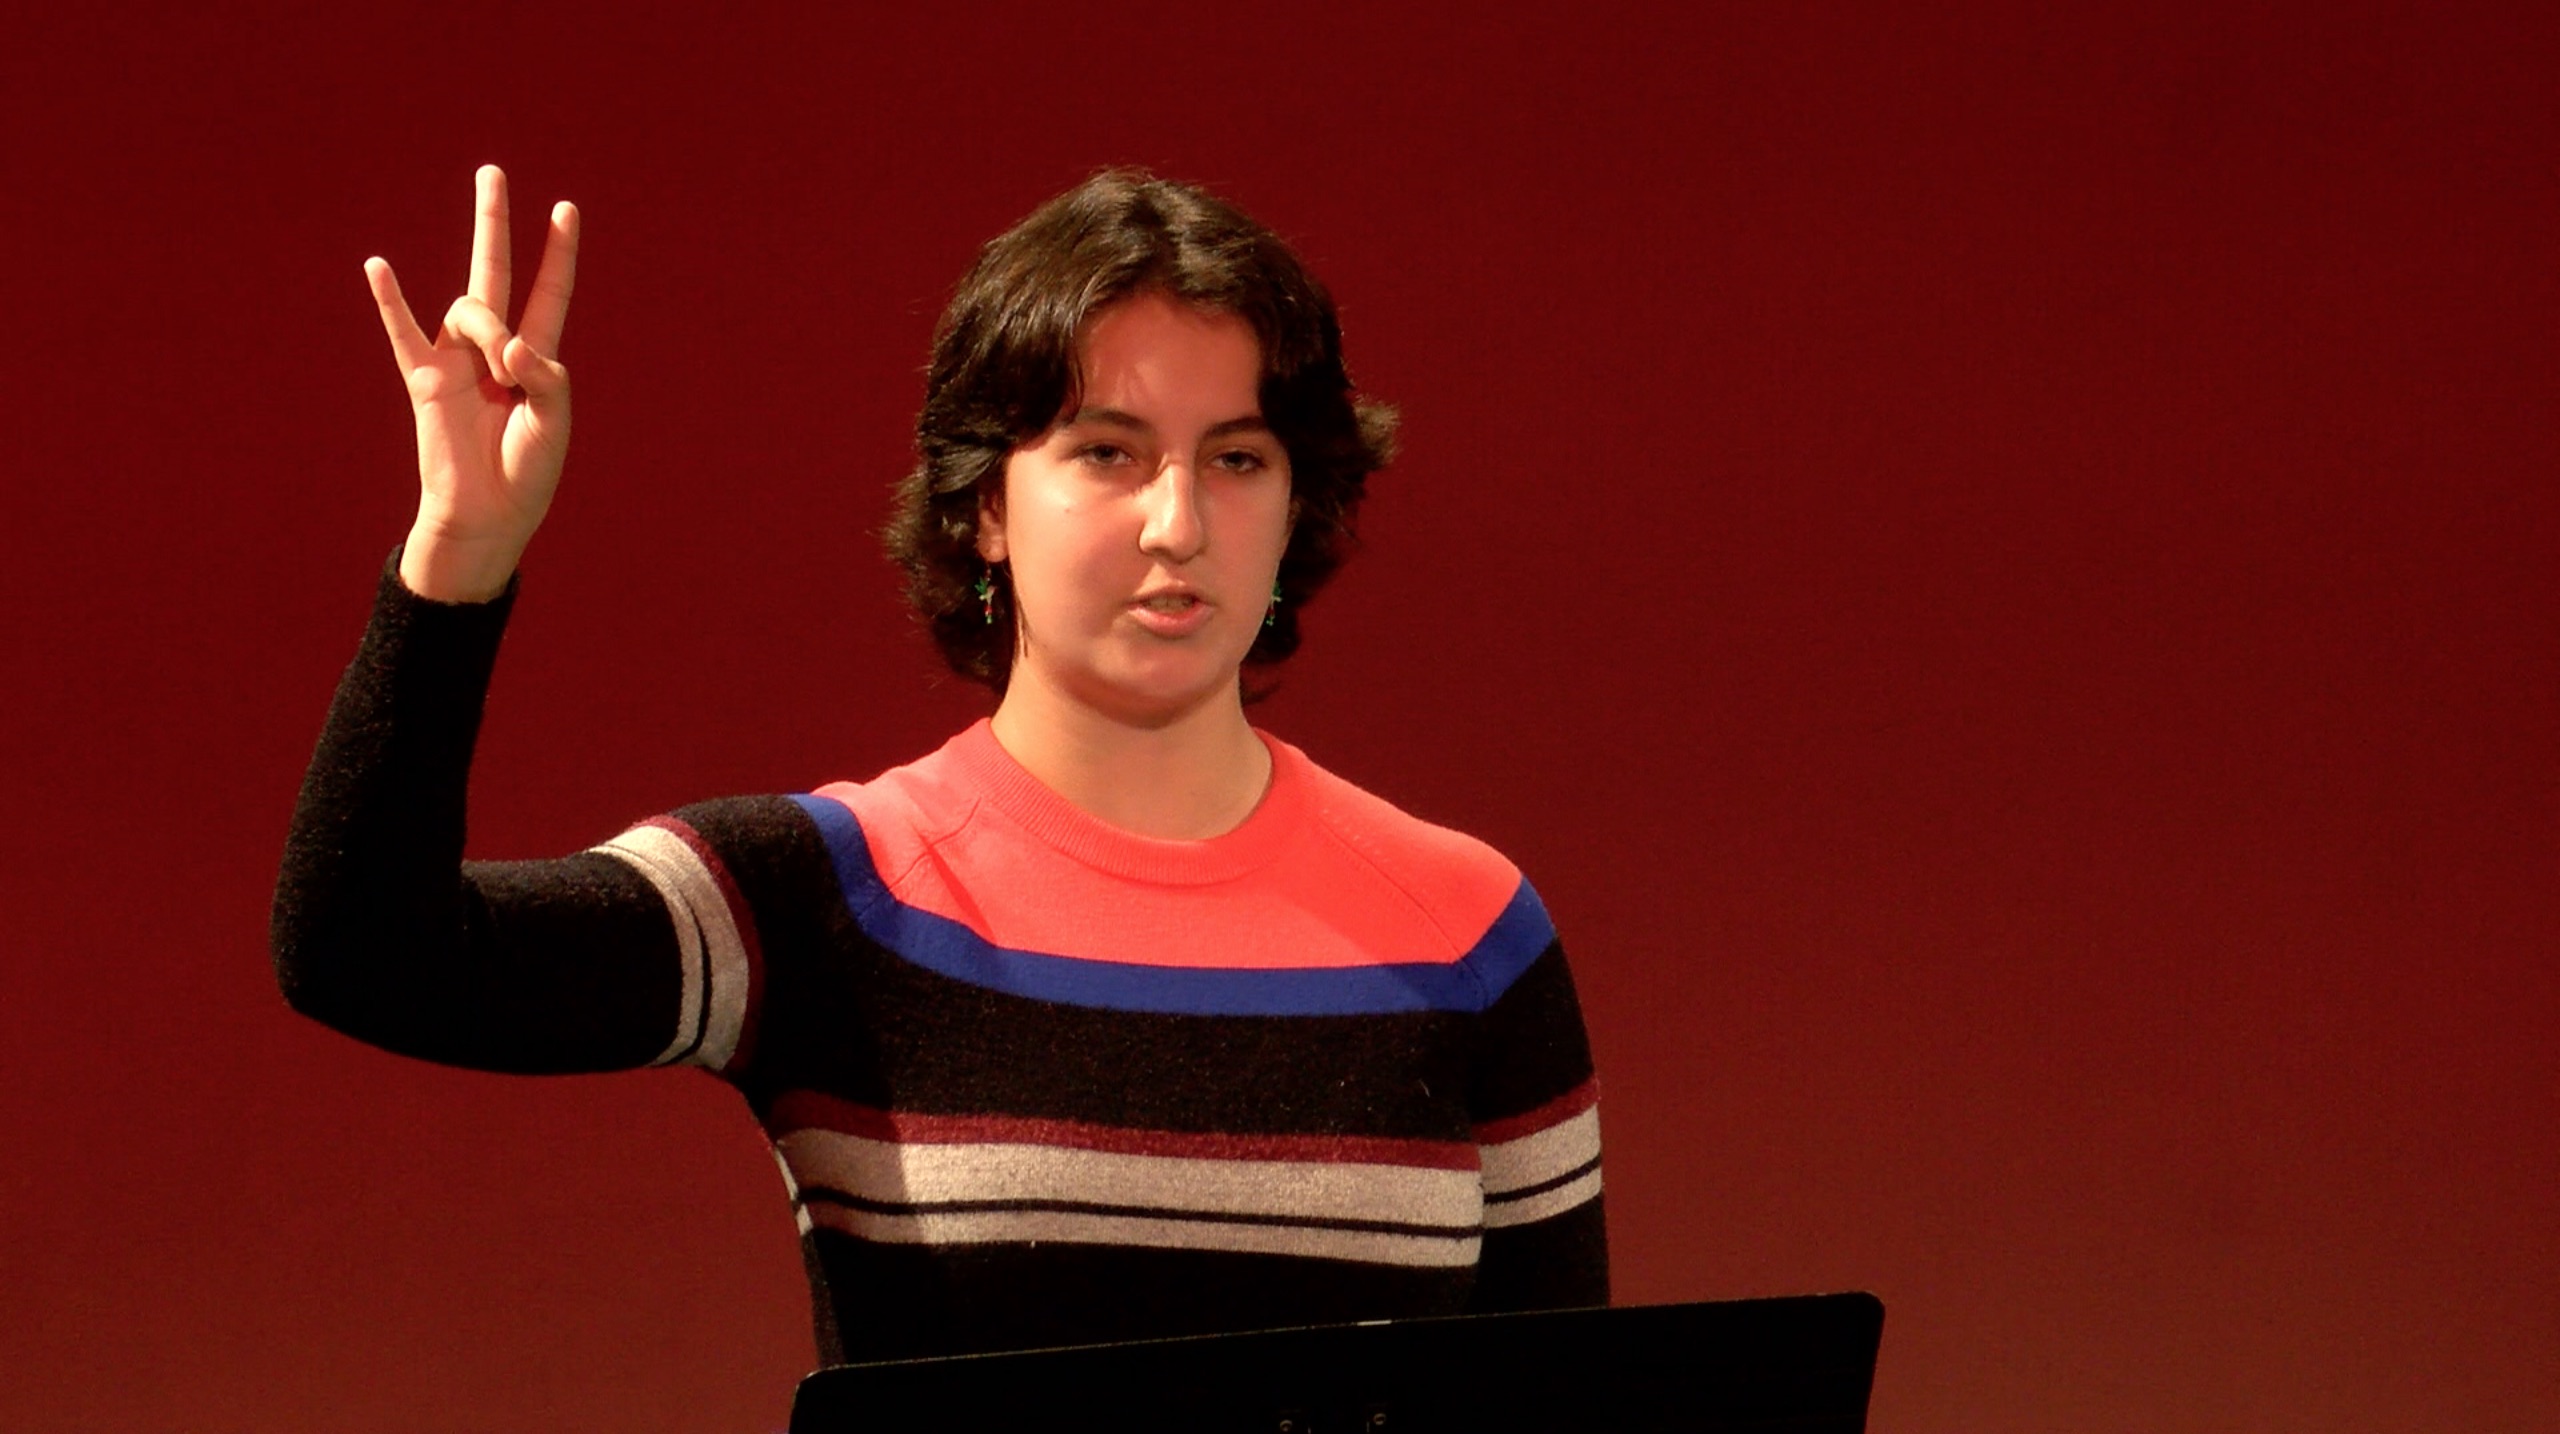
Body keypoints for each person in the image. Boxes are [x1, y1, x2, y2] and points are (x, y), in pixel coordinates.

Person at [274, 165, 1607, 1365]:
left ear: (1296, 500)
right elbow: (363, 951)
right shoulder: (839, 893)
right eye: (1107, 451)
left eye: (1238, 458)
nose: (1179, 522)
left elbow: (1567, 1419)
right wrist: (458, 555)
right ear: (982, 507)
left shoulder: (1471, 930)